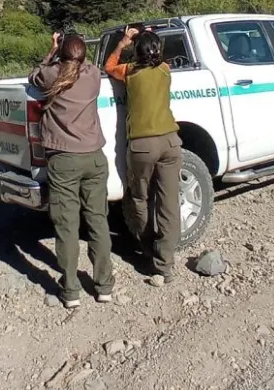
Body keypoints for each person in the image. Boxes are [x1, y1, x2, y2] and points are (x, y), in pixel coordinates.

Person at [29, 33, 115, 308]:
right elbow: (91, 63)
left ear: (61, 54)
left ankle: (70, 290)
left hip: (63, 160)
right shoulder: (91, 76)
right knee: (98, 221)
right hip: (93, 157)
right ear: (82, 56)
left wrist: (50, 50)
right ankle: (104, 287)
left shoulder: (50, 75)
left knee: (66, 226)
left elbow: (34, 74)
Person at [105, 27, 181, 287]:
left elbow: (109, 65)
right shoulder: (165, 70)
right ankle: (165, 264)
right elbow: (155, 55)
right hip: (171, 141)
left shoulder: (129, 72)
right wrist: (149, 36)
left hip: (142, 145)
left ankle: (147, 250)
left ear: (136, 52)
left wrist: (124, 42)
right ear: (158, 51)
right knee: (169, 203)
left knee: (140, 198)